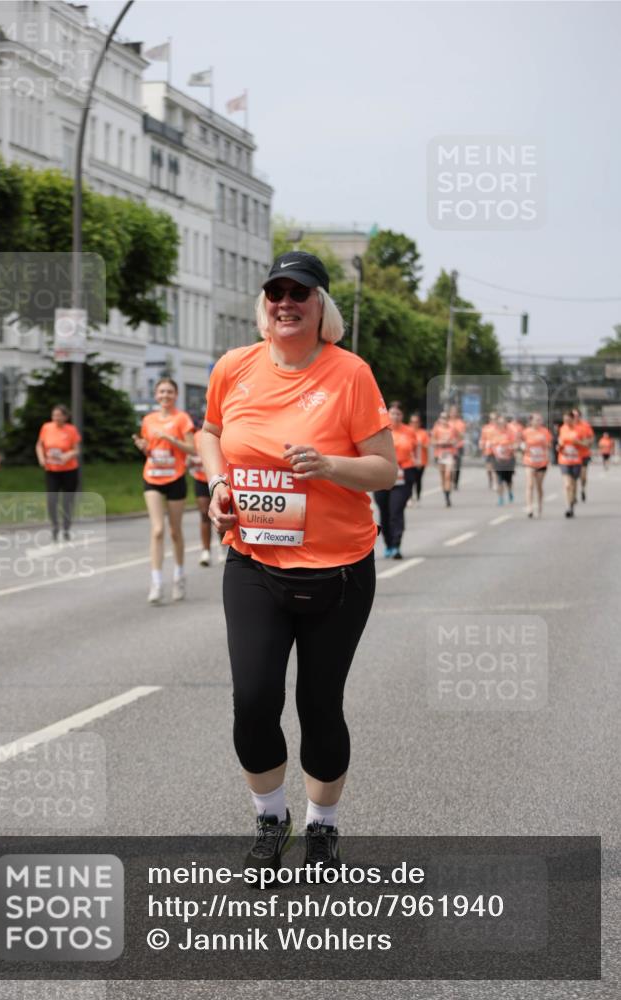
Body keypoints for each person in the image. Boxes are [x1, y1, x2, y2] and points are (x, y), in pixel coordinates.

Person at [199, 251, 396, 874]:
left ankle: (323, 824)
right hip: (254, 561)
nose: (286, 302)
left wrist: (330, 465)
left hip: (338, 568)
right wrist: (216, 486)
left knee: (319, 703)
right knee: (253, 700)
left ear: (320, 306)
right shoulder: (235, 366)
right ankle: (269, 815)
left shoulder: (351, 374)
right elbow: (208, 432)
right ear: (265, 303)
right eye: (276, 292)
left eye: (299, 293)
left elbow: (386, 468)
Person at [133, 378, 195, 603]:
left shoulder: (182, 419)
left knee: (174, 531)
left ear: (175, 395)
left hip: (175, 478)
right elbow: (149, 449)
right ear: (156, 394)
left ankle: (179, 575)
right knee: (157, 530)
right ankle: (156, 582)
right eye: (161, 392)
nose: (165, 395)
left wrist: (171, 438)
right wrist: (143, 447)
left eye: (169, 392)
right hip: (152, 477)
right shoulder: (148, 420)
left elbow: (192, 448)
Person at [374, 401, 416, 558]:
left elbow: (414, 449)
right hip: (382, 474)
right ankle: (388, 544)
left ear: (402, 416)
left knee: (396, 510)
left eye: (398, 414)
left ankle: (397, 544)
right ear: (387, 414)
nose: (395, 416)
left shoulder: (409, 431)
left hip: (403, 474)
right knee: (384, 511)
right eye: (392, 413)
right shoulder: (380, 430)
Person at [35, 404, 81, 542]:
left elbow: (77, 449)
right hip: (52, 470)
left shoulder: (71, 430)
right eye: (54, 415)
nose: (56, 418)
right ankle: (55, 526)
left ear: (65, 417)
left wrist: (68, 455)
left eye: (59, 415)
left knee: (67, 501)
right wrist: (41, 459)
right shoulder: (46, 427)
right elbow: (39, 445)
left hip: (69, 471)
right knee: (52, 500)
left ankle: (66, 528)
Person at [187, 424, 223, 566]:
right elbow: (189, 456)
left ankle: (222, 547)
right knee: (204, 514)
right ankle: (206, 551)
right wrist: (191, 463)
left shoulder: (221, 432)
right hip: (201, 479)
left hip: (218, 478)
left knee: (218, 515)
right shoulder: (196, 436)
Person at [521, 412, 552, 517]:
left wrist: (548, 459)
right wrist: (522, 447)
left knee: (539, 486)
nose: (539, 421)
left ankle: (539, 505)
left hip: (541, 462)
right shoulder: (526, 432)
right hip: (529, 461)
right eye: (536, 419)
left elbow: (548, 447)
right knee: (529, 484)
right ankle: (529, 507)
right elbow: (520, 443)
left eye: (540, 419)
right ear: (531, 421)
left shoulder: (545, 432)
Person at [557, 410, 587, 518]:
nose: (566, 422)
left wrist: (578, 442)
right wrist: (559, 447)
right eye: (564, 420)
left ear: (572, 419)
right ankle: (568, 507)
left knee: (573, 485)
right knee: (567, 485)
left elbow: (586, 444)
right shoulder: (562, 429)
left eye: (568, 420)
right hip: (564, 460)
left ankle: (572, 503)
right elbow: (559, 443)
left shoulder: (580, 429)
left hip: (576, 460)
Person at [490, 415, 516, 505]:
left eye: (503, 422)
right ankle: (500, 497)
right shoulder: (494, 433)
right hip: (498, 459)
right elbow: (492, 445)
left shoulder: (510, 432)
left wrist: (509, 448)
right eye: (499, 422)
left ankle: (510, 492)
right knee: (499, 479)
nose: (501, 424)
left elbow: (515, 444)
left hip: (509, 459)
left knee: (508, 480)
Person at [431, 411, 456, 506]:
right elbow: (432, 442)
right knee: (442, 477)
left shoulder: (452, 428)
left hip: (449, 454)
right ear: (440, 419)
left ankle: (448, 497)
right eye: (442, 417)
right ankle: (445, 495)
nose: (444, 419)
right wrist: (440, 442)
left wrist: (452, 442)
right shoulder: (436, 429)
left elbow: (457, 439)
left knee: (448, 476)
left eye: (446, 417)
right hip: (440, 454)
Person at [572, 408, 594, 501]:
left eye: (577, 415)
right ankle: (574, 495)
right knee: (574, 477)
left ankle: (583, 489)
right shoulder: (568, 426)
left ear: (580, 416)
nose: (575, 417)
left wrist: (587, 442)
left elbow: (591, 439)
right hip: (572, 456)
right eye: (573, 415)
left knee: (583, 476)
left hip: (584, 454)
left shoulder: (585, 426)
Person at [409, 413, 429, 503]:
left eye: (416, 422)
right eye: (412, 422)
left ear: (419, 423)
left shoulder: (423, 433)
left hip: (421, 460)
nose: (414, 424)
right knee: (410, 480)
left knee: (418, 479)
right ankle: (409, 497)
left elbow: (427, 445)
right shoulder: (407, 432)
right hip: (410, 461)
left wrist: (421, 444)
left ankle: (418, 497)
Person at [448, 404, 466, 490]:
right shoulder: (446, 422)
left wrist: (456, 431)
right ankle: (450, 480)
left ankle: (456, 482)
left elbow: (462, 436)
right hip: (448, 447)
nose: (453, 413)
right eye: (452, 412)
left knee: (457, 465)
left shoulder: (460, 423)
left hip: (458, 446)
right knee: (450, 465)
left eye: (455, 412)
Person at [478, 411, 497, 490]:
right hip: (488, 450)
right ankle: (490, 480)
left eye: (495, 418)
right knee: (489, 469)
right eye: (492, 418)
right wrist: (481, 445)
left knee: (495, 468)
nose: (493, 420)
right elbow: (482, 438)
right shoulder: (486, 428)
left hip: (496, 451)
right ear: (489, 419)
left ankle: (496, 483)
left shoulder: (499, 428)